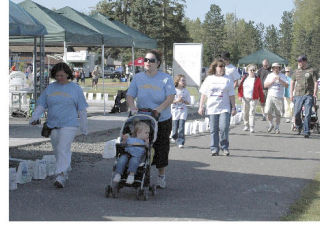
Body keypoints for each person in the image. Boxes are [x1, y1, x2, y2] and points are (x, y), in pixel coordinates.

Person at [30, 62, 88, 188]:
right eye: (57, 76)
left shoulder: (75, 89)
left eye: (62, 75)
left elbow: (82, 109)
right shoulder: (50, 88)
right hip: (53, 124)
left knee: (62, 148)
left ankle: (60, 175)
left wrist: (84, 127)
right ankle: (65, 169)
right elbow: (41, 105)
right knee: (58, 150)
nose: (59, 78)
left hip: (69, 124)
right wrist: (34, 117)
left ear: (68, 74)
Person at [126, 49, 176, 189]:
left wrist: (158, 110)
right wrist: (133, 107)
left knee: (161, 148)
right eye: (146, 60)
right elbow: (130, 95)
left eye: (151, 60)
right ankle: (140, 173)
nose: (148, 63)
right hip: (143, 118)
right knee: (140, 146)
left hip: (161, 118)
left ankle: (161, 176)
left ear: (158, 63)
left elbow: (170, 97)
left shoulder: (166, 78)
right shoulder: (138, 78)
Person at [198, 58, 237, 156]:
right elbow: (203, 94)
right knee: (213, 129)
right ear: (215, 67)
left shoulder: (228, 79)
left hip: (224, 108)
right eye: (220, 66)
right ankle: (214, 148)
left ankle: (224, 147)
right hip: (212, 108)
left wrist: (234, 107)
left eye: (223, 66)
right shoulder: (209, 79)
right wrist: (201, 106)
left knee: (224, 128)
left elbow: (231, 95)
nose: (222, 68)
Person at [290, 55, 318, 138]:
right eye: (298, 61)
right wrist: (291, 94)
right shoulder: (296, 71)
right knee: (297, 113)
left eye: (300, 61)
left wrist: (315, 93)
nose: (299, 63)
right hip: (298, 95)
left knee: (308, 113)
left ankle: (306, 131)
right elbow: (292, 82)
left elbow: (316, 82)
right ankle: (299, 126)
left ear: (305, 61)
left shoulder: (312, 70)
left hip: (308, 94)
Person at [238, 64, 265, 133]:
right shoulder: (244, 78)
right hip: (245, 98)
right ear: (247, 71)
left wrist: (262, 99)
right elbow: (240, 88)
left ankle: (252, 126)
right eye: (251, 70)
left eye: (254, 70)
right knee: (245, 112)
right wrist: (240, 95)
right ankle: (246, 125)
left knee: (252, 112)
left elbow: (260, 90)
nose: (252, 71)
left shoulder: (257, 79)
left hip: (253, 98)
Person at [264, 63, 288, 134]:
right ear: (272, 68)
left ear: (279, 69)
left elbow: (286, 85)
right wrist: (272, 81)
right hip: (270, 95)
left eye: (277, 68)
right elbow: (265, 85)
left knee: (278, 114)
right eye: (274, 68)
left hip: (279, 96)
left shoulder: (283, 76)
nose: (276, 69)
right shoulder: (270, 75)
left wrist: (280, 80)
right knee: (267, 111)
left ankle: (277, 127)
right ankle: (271, 124)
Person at [170, 74, 191, 148]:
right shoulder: (173, 90)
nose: (183, 82)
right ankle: (174, 136)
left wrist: (183, 101)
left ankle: (181, 141)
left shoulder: (186, 91)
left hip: (183, 110)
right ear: (177, 81)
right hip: (175, 110)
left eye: (184, 80)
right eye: (182, 80)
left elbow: (189, 102)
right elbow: (170, 101)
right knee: (175, 127)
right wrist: (177, 100)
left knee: (181, 126)